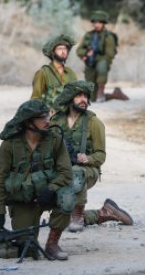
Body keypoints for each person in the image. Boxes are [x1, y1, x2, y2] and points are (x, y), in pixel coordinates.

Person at [0, 100, 73, 260]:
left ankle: (52, 244)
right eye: (42, 117)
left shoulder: (55, 139)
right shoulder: (10, 144)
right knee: (27, 251)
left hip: (48, 195)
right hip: (23, 200)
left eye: (48, 116)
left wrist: (52, 189)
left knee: (68, 196)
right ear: (28, 121)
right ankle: (8, 245)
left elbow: (66, 173)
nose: (47, 121)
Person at [49, 80, 133, 232]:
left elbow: (101, 155)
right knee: (58, 220)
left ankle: (78, 217)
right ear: (69, 98)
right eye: (79, 96)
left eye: (86, 96)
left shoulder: (94, 123)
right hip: (61, 170)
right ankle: (106, 212)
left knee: (76, 173)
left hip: (87, 171)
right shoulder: (56, 121)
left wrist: (88, 158)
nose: (83, 100)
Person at [76, 10, 128, 103]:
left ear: (103, 23)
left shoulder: (109, 36)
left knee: (102, 65)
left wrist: (105, 64)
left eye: (99, 22)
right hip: (90, 62)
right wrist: (85, 54)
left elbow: (110, 54)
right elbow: (79, 50)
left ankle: (101, 92)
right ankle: (114, 94)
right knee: (92, 98)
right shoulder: (88, 35)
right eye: (95, 22)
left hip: (102, 59)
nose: (97, 24)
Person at [31, 34, 78, 110]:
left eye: (65, 49)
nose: (63, 51)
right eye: (59, 49)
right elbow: (36, 98)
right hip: (50, 115)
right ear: (52, 52)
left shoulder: (71, 73)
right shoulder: (43, 73)